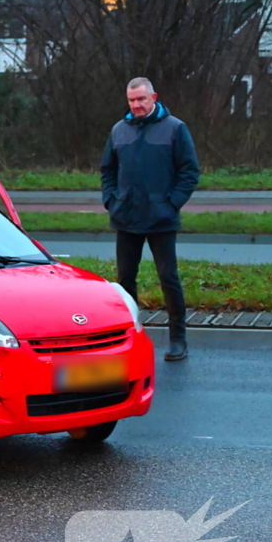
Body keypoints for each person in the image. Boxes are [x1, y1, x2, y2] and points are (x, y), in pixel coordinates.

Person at [101, 77, 200, 361]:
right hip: (126, 217)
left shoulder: (175, 129)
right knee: (125, 281)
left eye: (141, 99)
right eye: (132, 100)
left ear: (153, 97)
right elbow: (108, 169)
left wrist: (172, 204)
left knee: (168, 279)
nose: (136, 105)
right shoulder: (119, 130)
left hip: (161, 219)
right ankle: (129, 337)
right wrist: (112, 200)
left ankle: (178, 339)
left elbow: (189, 171)